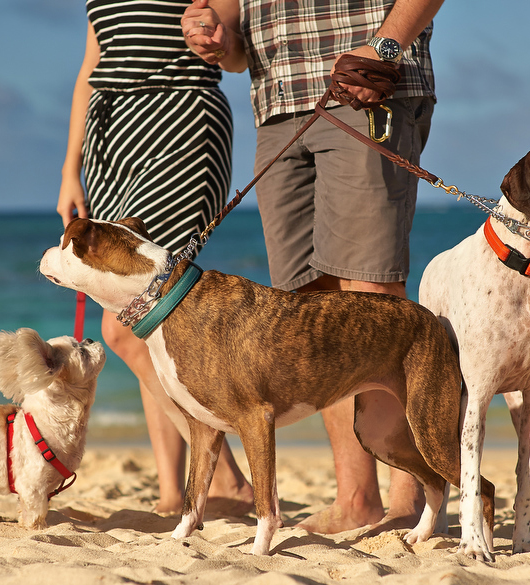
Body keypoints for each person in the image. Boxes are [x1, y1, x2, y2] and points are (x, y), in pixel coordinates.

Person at [182, 0, 443, 533]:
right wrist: (217, 40)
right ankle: (356, 499)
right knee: (310, 315)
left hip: (367, 85)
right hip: (277, 105)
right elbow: (235, 46)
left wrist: (386, 45)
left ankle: (408, 498)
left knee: (371, 294)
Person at [57, 0, 253, 516]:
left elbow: (234, 47)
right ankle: (177, 490)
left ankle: (226, 477)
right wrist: (69, 169)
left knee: (128, 323)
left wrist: (216, 37)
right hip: (112, 142)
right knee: (150, 329)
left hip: (181, 126)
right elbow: (90, 70)